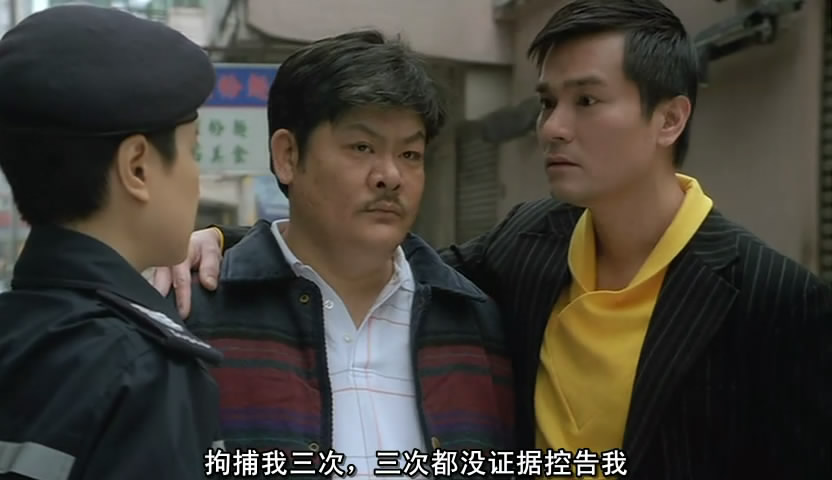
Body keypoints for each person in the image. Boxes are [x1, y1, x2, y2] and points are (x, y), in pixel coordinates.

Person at [156, 0, 831, 478]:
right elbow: (363, 254)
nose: (553, 127)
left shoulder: (774, 299)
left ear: (669, 118)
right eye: (547, 102)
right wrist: (226, 241)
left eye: (586, 101)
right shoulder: (530, 248)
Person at [165, 30, 513, 479]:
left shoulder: (472, 323)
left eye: (410, 153)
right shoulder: (195, 314)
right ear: (288, 156)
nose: (390, 175)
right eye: (362, 147)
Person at [0, 5, 222, 479]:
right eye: (193, 151)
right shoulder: (142, 371)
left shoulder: (17, 335)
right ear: (137, 167)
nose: (197, 179)